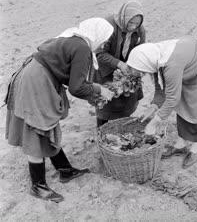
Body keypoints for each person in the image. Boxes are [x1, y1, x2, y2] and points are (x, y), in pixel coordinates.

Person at [4, 18, 114, 203]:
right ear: (97, 34)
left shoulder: (72, 37)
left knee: (48, 124)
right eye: (104, 39)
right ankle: (37, 185)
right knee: (36, 127)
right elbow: (76, 88)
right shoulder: (83, 48)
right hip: (36, 81)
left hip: (35, 74)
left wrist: (93, 90)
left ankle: (64, 169)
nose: (103, 43)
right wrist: (99, 89)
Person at [127, 36, 197, 168]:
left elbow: (172, 99)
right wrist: (154, 107)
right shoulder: (155, 59)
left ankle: (196, 148)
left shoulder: (171, 65)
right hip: (188, 62)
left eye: (142, 72)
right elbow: (161, 90)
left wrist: (153, 124)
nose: (142, 74)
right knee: (184, 103)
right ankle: (181, 144)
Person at [94, 0, 146, 127]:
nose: (133, 27)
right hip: (105, 69)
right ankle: (102, 128)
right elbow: (99, 53)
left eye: (137, 24)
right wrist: (119, 64)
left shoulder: (139, 30)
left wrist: (135, 67)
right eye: (131, 22)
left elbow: (141, 50)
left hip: (127, 68)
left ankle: (122, 124)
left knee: (127, 97)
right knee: (105, 101)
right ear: (124, 17)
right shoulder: (108, 27)